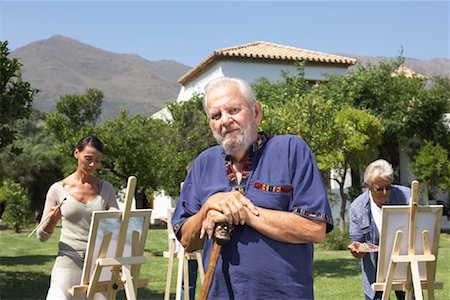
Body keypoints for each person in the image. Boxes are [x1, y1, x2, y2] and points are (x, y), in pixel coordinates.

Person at [171, 77, 334, 299]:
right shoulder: (204, 163)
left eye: (234, 110)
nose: (225, 120)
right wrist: (208, 208)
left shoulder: (290, 150)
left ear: (256, 112)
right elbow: (187, 240)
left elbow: (314, 228)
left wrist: (244, 213)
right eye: (216, 116)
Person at [37, 136, 119, 299]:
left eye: (97, 161)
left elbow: (117, 225)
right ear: (76, 153)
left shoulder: (106, 189)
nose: (92, 165)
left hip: (98, 265)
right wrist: (52, 221)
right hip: (68, 263)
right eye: (88, 159)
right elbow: (41, 236)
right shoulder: (57, 189)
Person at [348, 159, 411, 300]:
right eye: (379, 189)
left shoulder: (406, 197)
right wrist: (356, 250)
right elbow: (357, 242)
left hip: (405, 266)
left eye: (388, 187)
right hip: (375, 272)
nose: (385, 193)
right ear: (368, 186)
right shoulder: (357, 208)